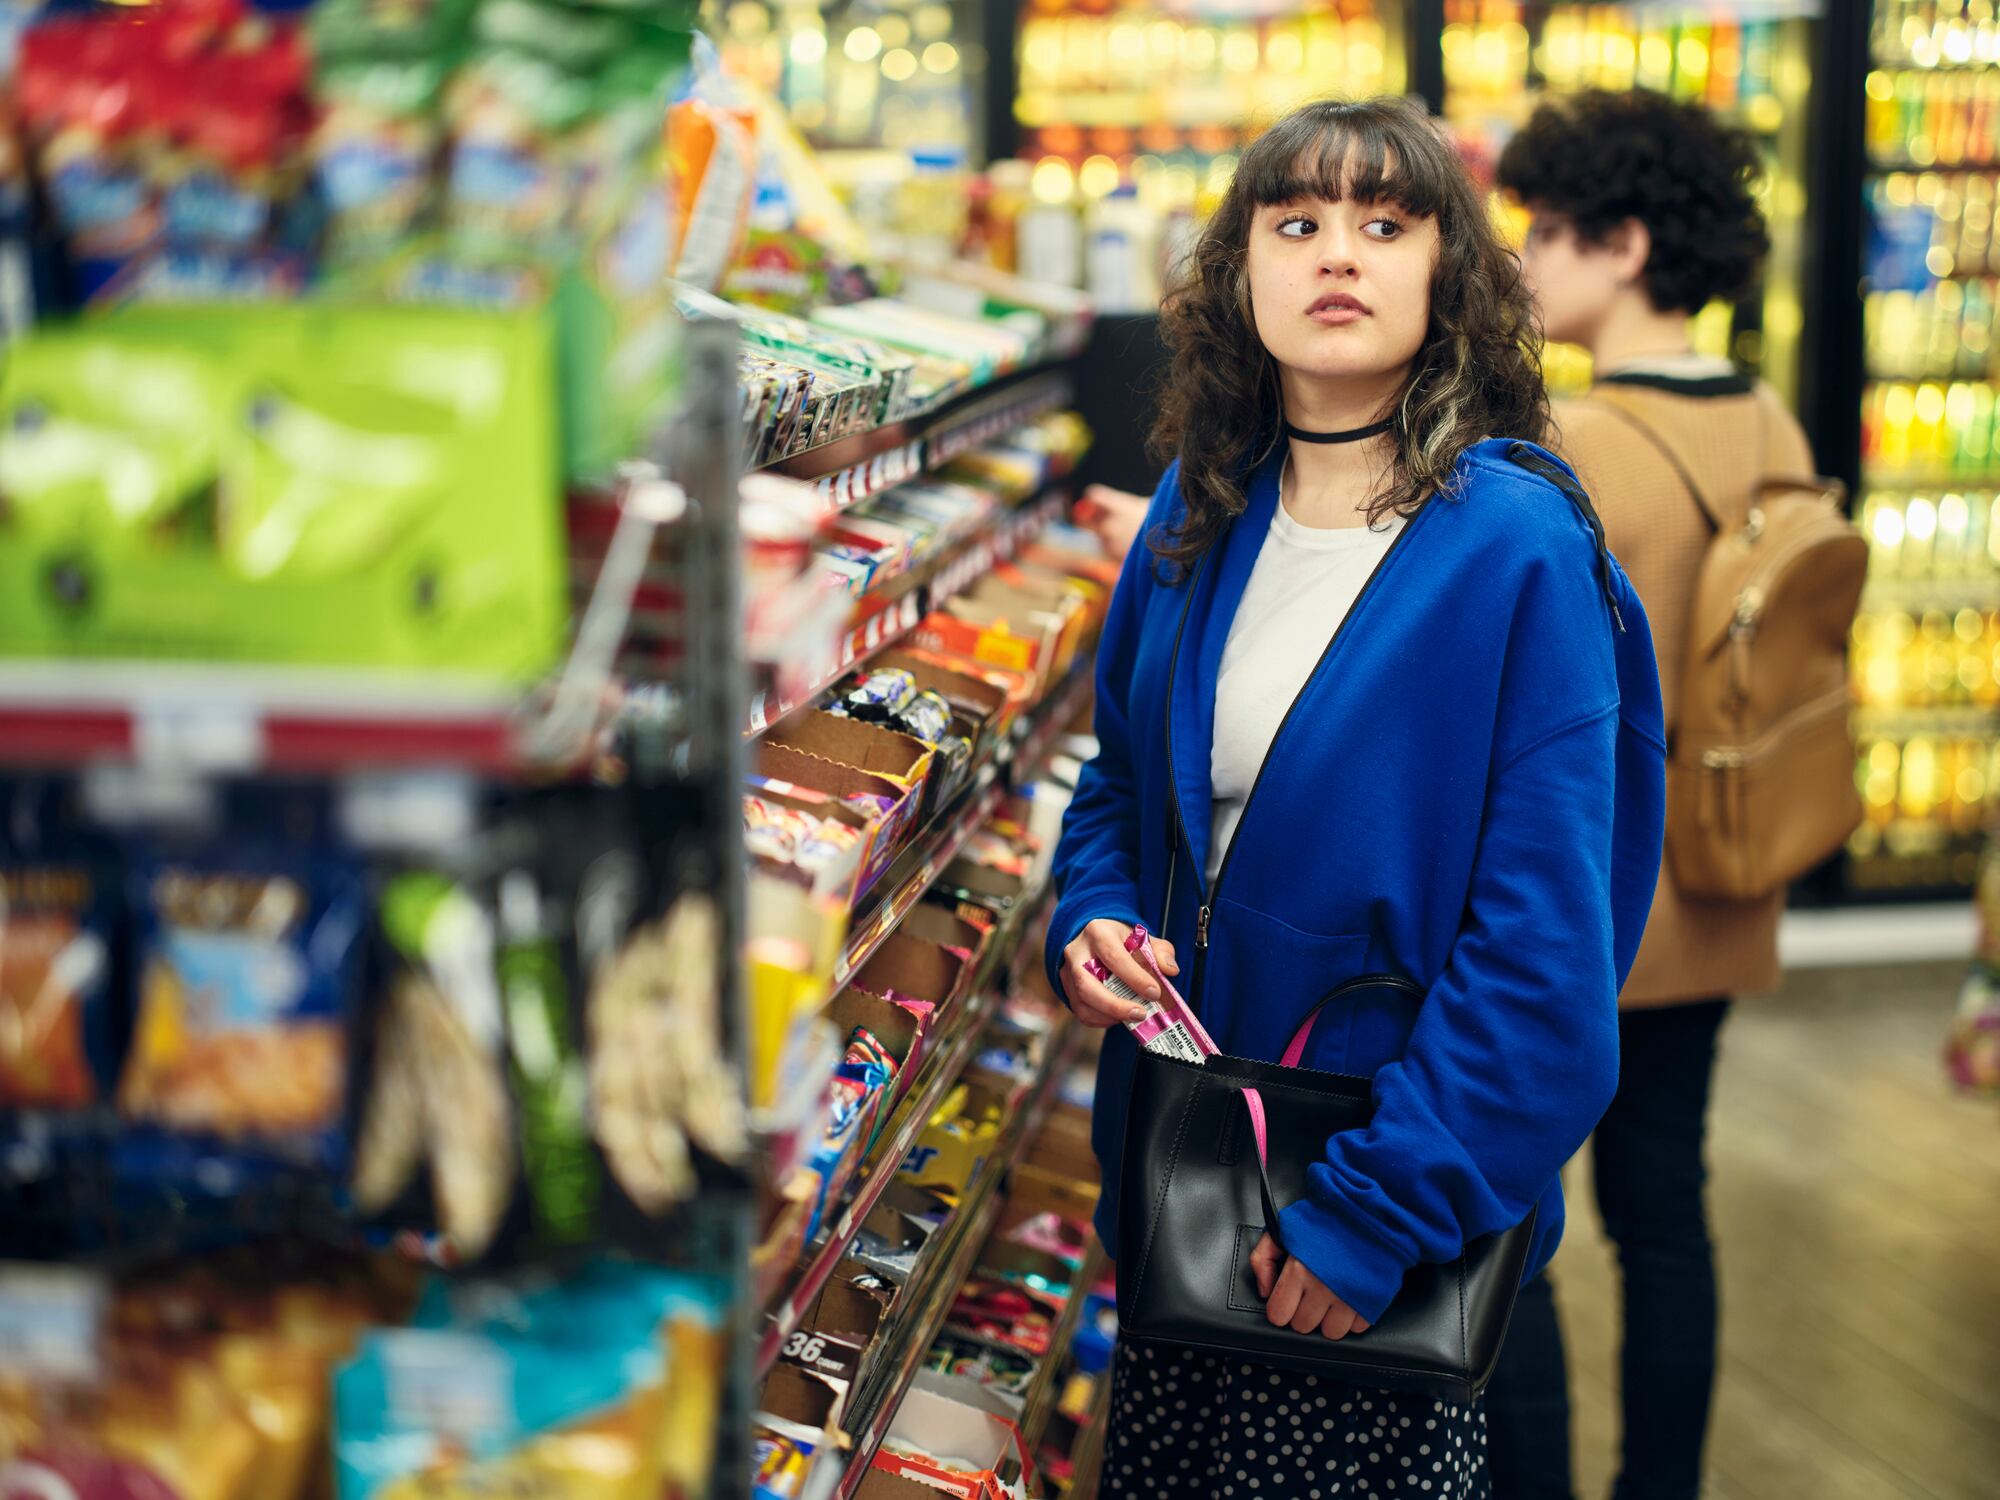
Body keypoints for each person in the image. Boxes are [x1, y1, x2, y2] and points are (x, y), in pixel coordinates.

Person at [1044, 96, 1667, 1500]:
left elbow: (1545, 959)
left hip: (1361, 1225)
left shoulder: (1514, 550)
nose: (1340, 255)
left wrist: (1373, 1216)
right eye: (1299, 223)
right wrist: (1088, 919)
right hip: (1181, 1190)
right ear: (1239, 271)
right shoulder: (1200, 509)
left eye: (1386, 225)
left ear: (1449, 275)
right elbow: (1125, 789)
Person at [1485, 89, 1820, 1500]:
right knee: (1666, 1215)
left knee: (1519, 1224)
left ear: (1623, 244)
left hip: (1585, 900)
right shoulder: (1771, 417)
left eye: (1550, 232)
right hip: (1729, 874)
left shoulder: (1573, 438)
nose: (1529, 262)